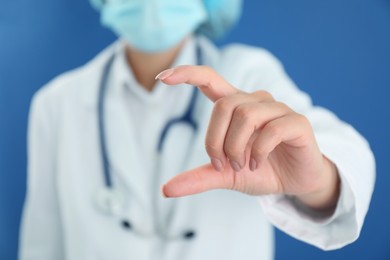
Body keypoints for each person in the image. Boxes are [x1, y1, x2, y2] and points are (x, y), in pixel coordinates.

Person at [19, 0, 375, 259]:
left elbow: (340, 148)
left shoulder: (250, 75)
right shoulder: (57, 103)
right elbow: (41, 244)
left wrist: (318, 182)